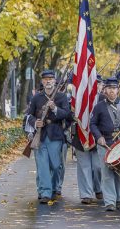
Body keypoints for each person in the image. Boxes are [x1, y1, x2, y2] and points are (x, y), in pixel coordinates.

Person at [90, 77, 120, 211]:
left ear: (118, 90)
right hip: (105, 143)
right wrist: (98, 137)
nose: (111, 91)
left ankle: (118, 198)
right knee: (106, 174)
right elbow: (92, 124)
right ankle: (109, 201)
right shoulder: (99, 107)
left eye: (114, 88)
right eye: (109, 88)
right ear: (105, 90)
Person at [27, 70, 70, 204]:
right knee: (43, 165)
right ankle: (45, 192)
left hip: (56, 134)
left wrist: (55, 108)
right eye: (45, 79)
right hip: (40, 135)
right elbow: (29, 116)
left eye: (50, 79)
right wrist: (35, 122)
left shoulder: (61, 97)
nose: (48, 81)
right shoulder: (36, 98)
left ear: (55, 81)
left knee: (56, 166)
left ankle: (52, 189)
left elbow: (67, 115)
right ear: (42, 82)